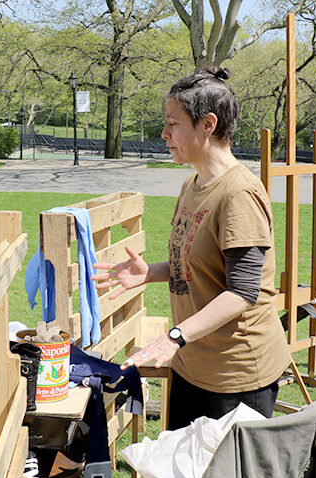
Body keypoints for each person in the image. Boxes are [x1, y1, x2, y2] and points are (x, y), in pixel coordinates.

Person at [91, 68, 291, 430]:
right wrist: (152, 272)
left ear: (208, 125)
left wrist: (174, 337)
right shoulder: (192, 184)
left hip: (236, 375)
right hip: (191, 362)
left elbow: (243, 291)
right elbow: (203, 261)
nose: (165, 134)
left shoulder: (239, 194)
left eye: (173, 124)